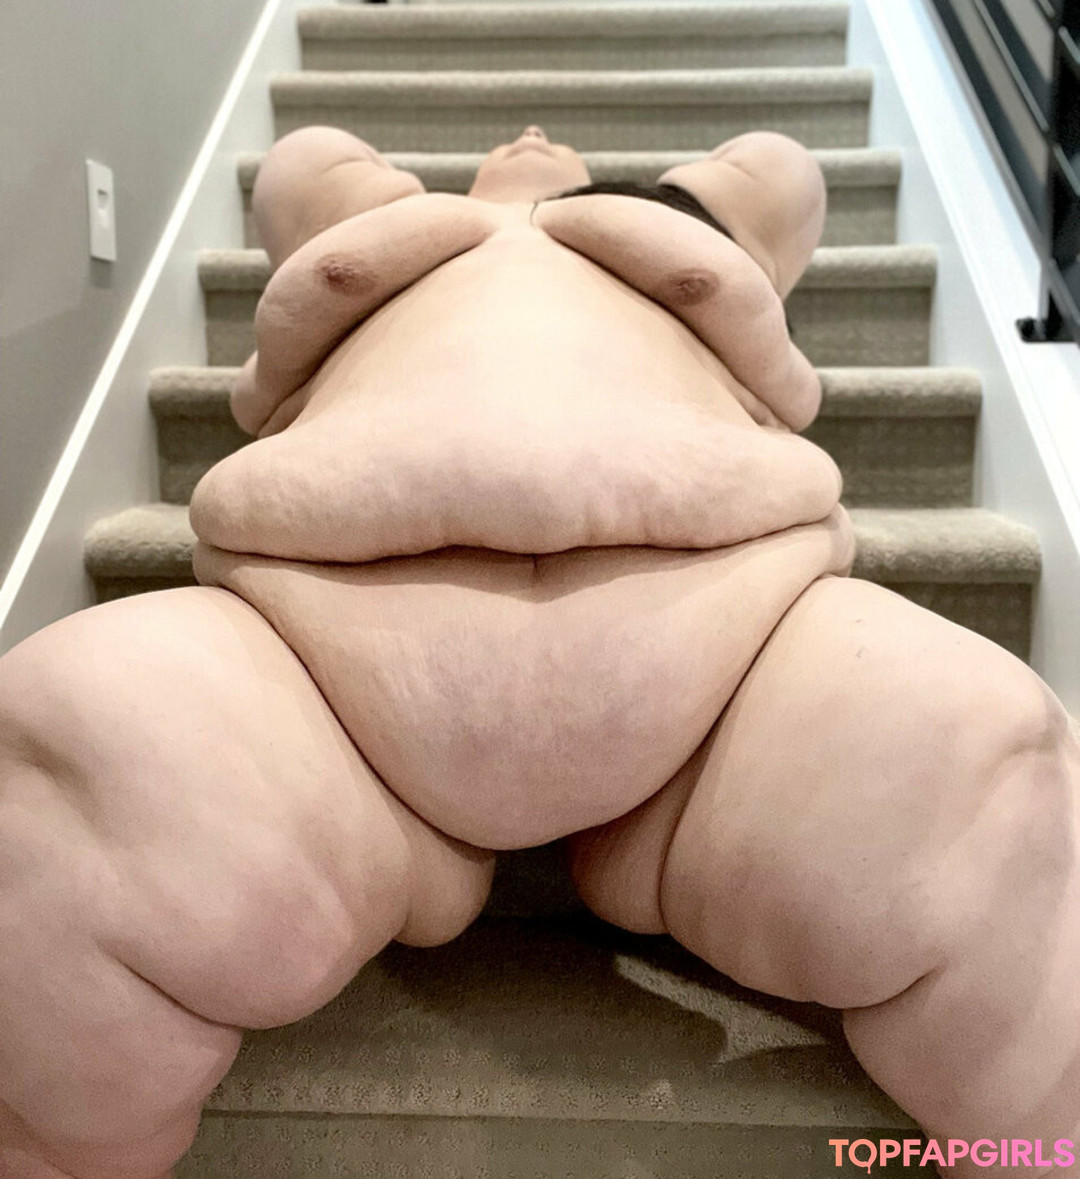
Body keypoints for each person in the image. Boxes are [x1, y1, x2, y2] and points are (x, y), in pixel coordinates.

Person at [0, 124, 1076, 1179]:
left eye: (550, 134)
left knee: (994, 759)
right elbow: (298, 165)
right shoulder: (384, 230)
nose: (529, 128)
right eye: (511, 135)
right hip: (312, 637)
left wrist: (675, 202)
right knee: (66, 741)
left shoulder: (680, 231)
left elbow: (784, 172)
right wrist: (402, 200)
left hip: (737, 629)